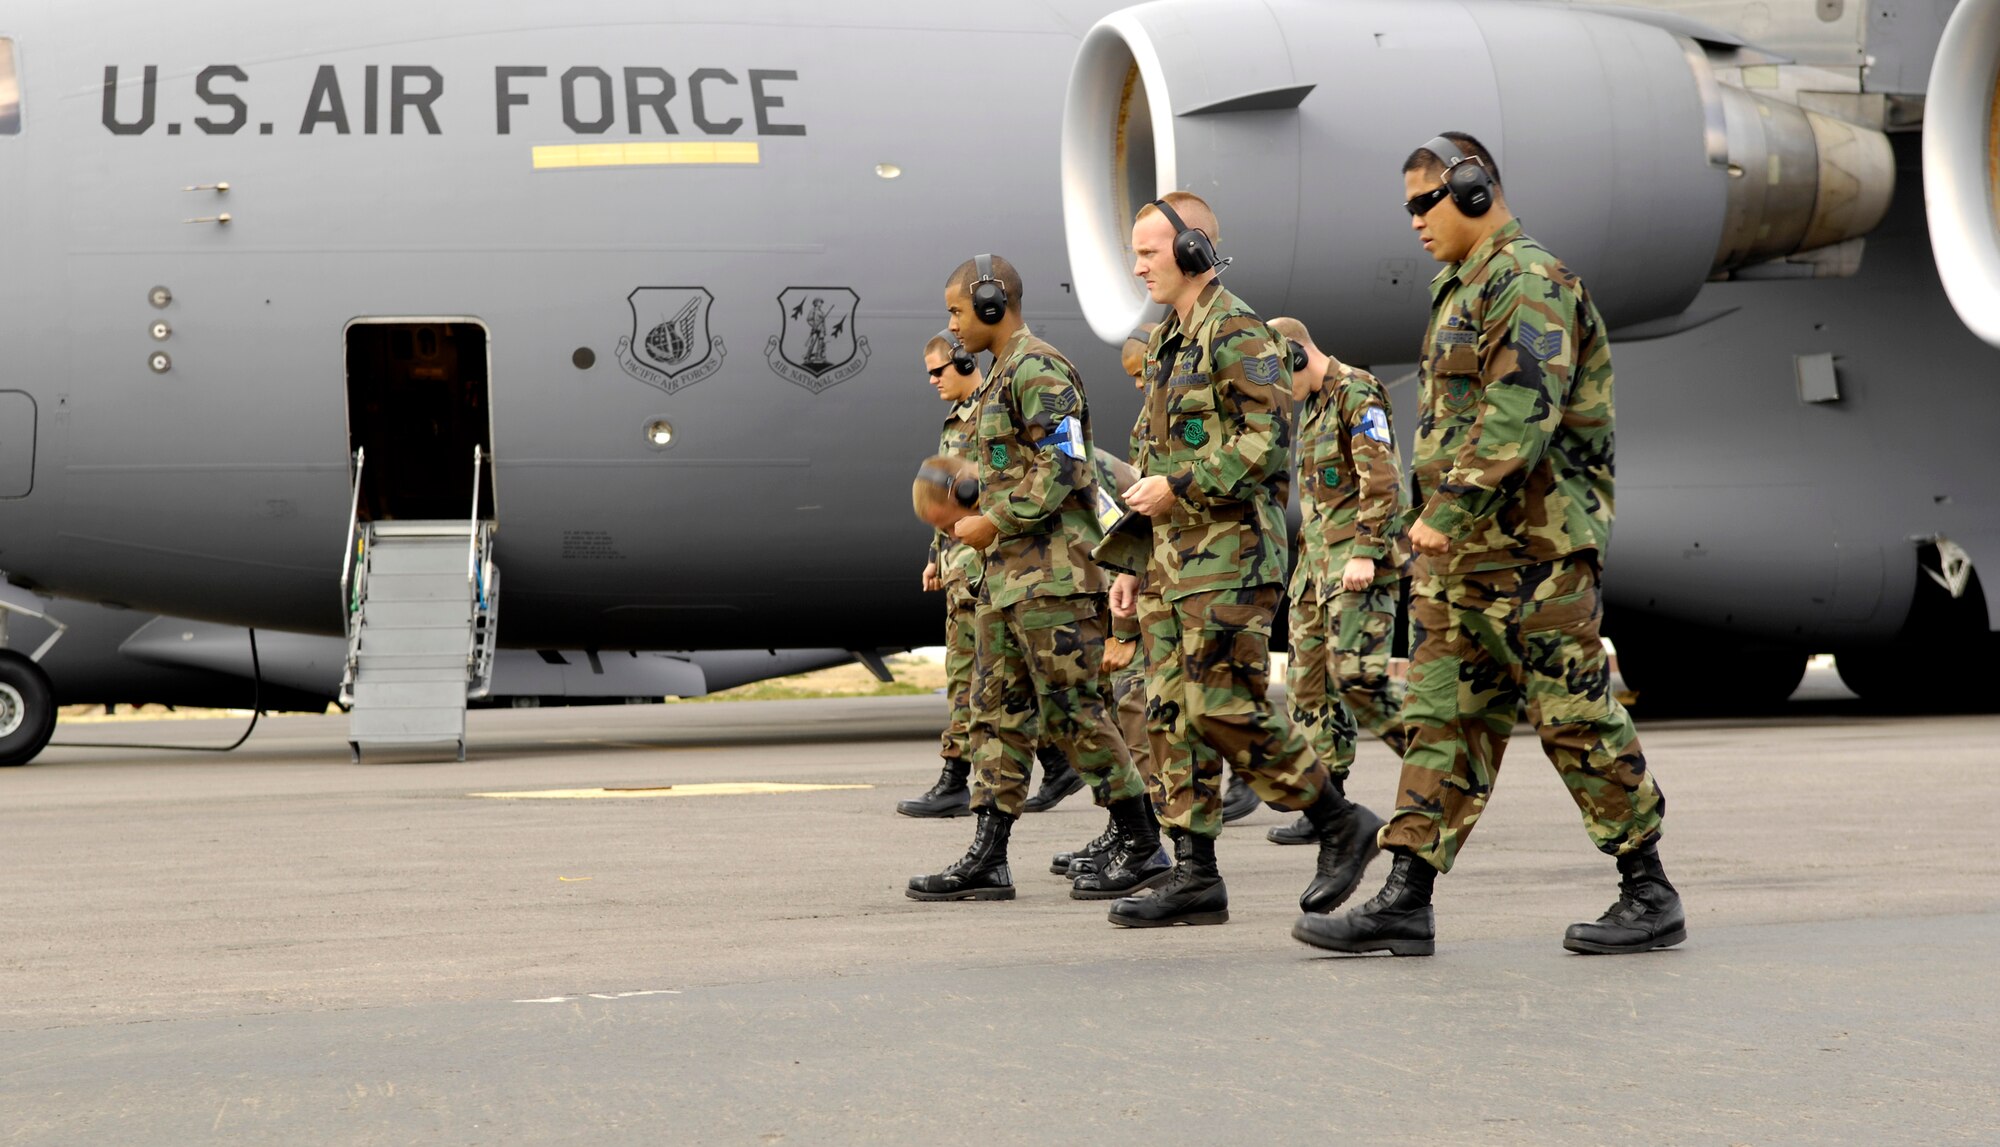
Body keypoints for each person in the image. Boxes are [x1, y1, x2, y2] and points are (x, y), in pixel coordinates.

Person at [1294, 133, 1682, 958]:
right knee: (1444, 716)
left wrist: (1453, 504)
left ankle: (1648, 889)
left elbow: (1522, 410)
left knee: (1574, 715)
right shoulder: (1460, 288)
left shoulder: (1530, 281)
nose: (1414, 223)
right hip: (1466, 558)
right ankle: (1405, 895)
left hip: (1535, 553)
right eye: (1407, 208)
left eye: (1423, 203)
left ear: (1474, 190)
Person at [1106, 194, 1383, 928]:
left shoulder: (1237, 333)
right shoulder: (1170, 339)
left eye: (1149, 251)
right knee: (1171, 713)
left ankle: (1338, 820)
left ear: (1194, 250)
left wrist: (1184, 484)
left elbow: (1266, 444)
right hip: (1171, 563)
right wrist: (1131, 561)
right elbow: (1150, 462)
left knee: (1223, 705)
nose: (1137, 267)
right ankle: (1196, 873)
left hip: (1229, 559)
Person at [907, 255, 1164, 903]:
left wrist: (995, 518)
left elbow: (1068, 466)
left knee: (1075, 712)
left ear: (994, 306)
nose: (952, 325)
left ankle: (1141, 842)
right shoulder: (998, 380)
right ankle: (989, 856)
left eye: (958, 312)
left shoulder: (1038, 370)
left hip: (1052, 582)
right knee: (997, 715)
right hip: (1005, 583)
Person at [899, 332, 1082, 818]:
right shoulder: (954, 421)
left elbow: (1005, 485)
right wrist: (937, 554)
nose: (933, 380)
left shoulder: (992, 407)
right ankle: (1050, 763)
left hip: (995, 562)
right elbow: (947, 496)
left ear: (963, 361)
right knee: (982, 678)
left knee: (982, 680)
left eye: (939, 369)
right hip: (964, 564)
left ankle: (959, 777)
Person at [1263, 317, 1411, 847]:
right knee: (1308, 689)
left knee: (1359, 680)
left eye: (1283, 375)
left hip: (1356, 565)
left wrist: (1367, 551)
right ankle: (1327, 805)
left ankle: (1439, 774)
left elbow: (1384, 480)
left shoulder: (1356, 392)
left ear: (1300, 356)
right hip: (1317, 570)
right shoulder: (1314, 406)